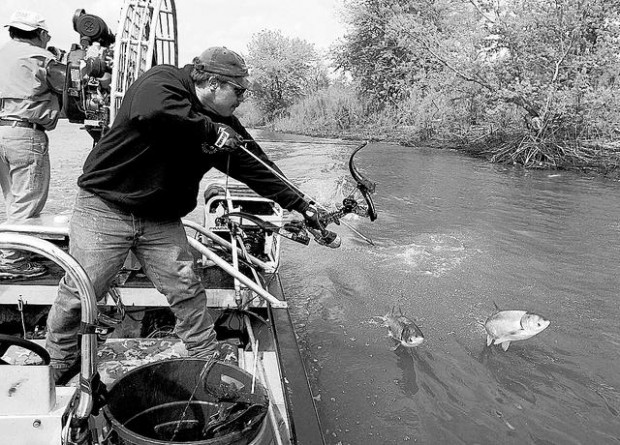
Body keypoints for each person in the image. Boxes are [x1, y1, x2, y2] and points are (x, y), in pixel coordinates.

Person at [45, 46, 331, 381]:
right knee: (82, 290)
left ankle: (206, 358)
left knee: (187, 290)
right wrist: (210, 132)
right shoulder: (162, 81)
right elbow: (151, 112)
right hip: (105, 208)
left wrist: (304, 206)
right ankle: (58, 361)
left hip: (161, 220)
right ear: (213, 82)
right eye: (238, 90)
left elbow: (260, 170)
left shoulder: (226, 127)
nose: (242, 98)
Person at [0, 10, 62, 279]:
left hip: (2, 132)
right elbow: (69, 85)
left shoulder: (2, 54)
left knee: (14, 200)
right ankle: (13, 262)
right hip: (25, 135)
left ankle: (14, 252)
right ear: (39, 34)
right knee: (26, 203)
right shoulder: (41, 58)